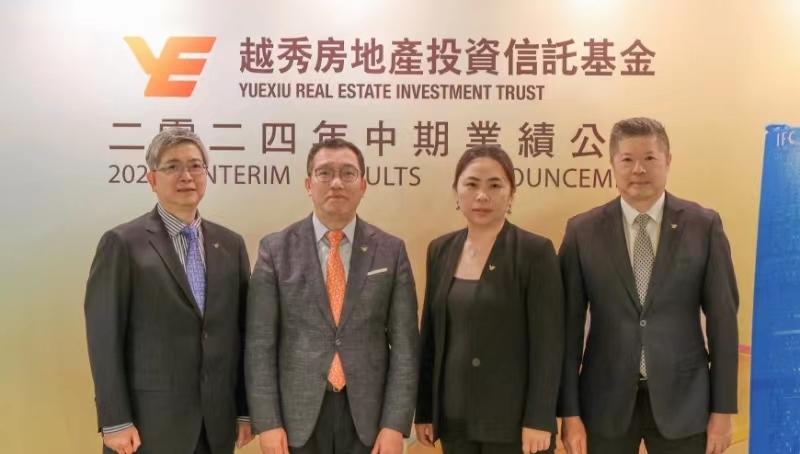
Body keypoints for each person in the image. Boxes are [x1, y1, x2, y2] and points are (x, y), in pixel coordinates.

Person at [558, 117, 739, 454]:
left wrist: (722, 411)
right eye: (627, 159)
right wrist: (569, 414)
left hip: (685, 401)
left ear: (667, 160)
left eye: (650, 158)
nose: (638, 169)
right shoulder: (582, 231)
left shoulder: (703, 226)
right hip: (603, 403)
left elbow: (724, 322)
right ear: (612, 163)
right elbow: (566, 330)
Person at [245, 138, 419, 454]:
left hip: (369, 420)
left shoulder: (391, 251)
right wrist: (268, 423)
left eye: (348, 173)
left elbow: (406, 346)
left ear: (363, 185)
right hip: (296, 420)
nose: (336, 182)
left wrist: (395, 424)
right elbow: (260, 344)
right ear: (308, 184)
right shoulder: (275, 250)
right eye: (325, 173)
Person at [84, 128, 253, 454]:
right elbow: (104, 338)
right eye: (172, 166)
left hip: (216, 425)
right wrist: (115, 420)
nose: (186, 176)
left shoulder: (231, 244)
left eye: (195, 166)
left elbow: (244, 334)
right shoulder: (122, 244)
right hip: (147, 427)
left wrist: (244, 409)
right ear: (152, 179)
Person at [415, 145, 565, 454]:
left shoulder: (534, 252)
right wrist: (425, 410)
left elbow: (548, 345)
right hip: (454, 417)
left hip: (513, 423)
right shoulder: (440, 250)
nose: (482, 196)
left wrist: (540, 419)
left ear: (511, 195)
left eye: (495, 185)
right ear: (456, 192)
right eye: (471, 184)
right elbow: (430, 336)